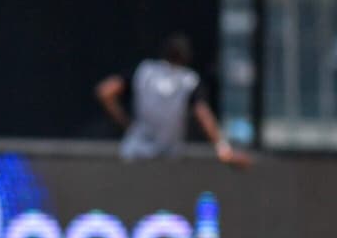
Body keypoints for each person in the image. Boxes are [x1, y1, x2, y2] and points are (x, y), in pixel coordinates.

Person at [96, 33, 251, 166]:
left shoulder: (144, 71)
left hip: (135, 153)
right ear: (186, 57)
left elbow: (105, 91)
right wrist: (223, 149)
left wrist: (125, 122)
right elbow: (203, 115)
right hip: (167, 158)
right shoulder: (189, 80)